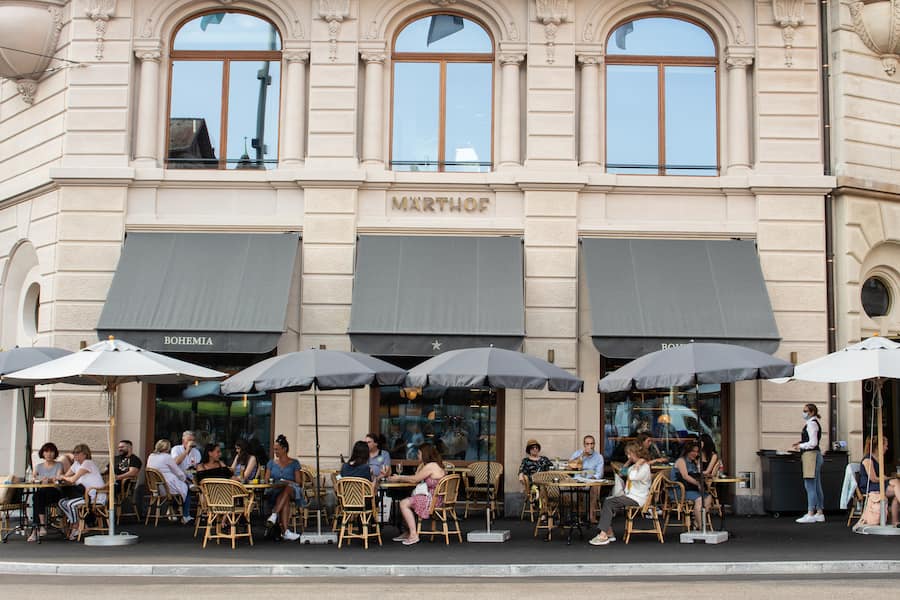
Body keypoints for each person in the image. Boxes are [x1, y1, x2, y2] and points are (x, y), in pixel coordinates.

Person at [589, 441, 652, 546]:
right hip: (631, 496)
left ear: (634, 453)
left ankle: (603, 534)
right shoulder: (634, 466)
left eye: (629, 454)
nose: (628, 456)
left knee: (609, 502)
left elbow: (632, 476)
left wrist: (637, 465)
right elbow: (622, 473)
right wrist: (629, 462)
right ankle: (609, 532)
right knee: (606, 500)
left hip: (638, 498)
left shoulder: (644, 467)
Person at [388, 443, 445, 546]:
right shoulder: (433, 465)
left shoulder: (430, 466)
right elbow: (417, 476)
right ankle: (408, 531)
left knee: (404, 503)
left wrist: (399, 477)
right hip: (436, 498)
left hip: (432, 500)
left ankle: (413, 534)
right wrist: (421, 465)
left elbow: (415, 479)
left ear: (425, 454)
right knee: (409, 500)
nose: (417, 456)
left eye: (419, 453)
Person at [57, 443, 106, 540]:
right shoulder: (76, 464)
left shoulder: (88, 463)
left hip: (94, 496)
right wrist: (62, 476)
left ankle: (75, 526)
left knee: (70, 504)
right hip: (84, 494)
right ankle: (79, 524)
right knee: (61, 502)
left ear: (85, 454)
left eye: (78, 453)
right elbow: (66, 476)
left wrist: (62, 477)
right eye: (74, 453)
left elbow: (72, 479)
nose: (75, 455)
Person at [264, 434, 304, 542]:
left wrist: (286, 482)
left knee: (287, 488)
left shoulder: (294, 463)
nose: (275, 452)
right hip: (275, 490)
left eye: (277, 449)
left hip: (292, 490)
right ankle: (285, 532)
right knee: (284, 498)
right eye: (274, 449)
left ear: (284, 449)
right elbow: (266, 480)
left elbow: (299, 482)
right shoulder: (271, 463)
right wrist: (275, 482)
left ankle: (274, 514)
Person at [792, 403, 825, 523]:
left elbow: (813, 443)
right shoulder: (814, 423)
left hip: (810, 456)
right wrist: (801, 443)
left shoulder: (811, 424)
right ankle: (819, 512)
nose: (804, 413)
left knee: (810, 485)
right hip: (815, 455)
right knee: (816, 485)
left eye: (806, 411)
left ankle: (811, 512)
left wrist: (800, 445)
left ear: (812, 412)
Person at [147, 439, 192, 525]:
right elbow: (178, 472)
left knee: (180, 488)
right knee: (186, 488)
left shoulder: (151, 456)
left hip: (156, 487)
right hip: (167, 486)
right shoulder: (167, 457)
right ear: (168, 448)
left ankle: (172, 511)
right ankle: (186, 515)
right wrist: (184, 479)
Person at [859, 435, 900, 525]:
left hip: (878, 484)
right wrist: (889, 478)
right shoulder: (868, 459)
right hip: (870, 486)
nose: (887, 448)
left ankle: (895, 521)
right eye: (885, 445)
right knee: (897, 485)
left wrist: (889, 478)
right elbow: (873, 479)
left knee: (897, 490)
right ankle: (895, 521)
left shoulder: (878, 458)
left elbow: (881, 477)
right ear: (879, 446)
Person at [28, 442, 63, 542]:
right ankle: (41, 527)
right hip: (42, 494)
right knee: (37, 498)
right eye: (46, 451)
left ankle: (36, 530)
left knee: (37, 497)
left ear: (55, 453)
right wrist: (40, 479)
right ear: (43, 453)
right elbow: (33, 478)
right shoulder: (38, 466)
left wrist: (48, 479)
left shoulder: (59, 465)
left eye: (51, 451)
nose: (49, 454)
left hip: (55, 493)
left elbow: (58, 477)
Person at [673, 440, 712, 529]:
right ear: (687, 451)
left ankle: (696, 522)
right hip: (680, 490)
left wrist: (698, 466)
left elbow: (696, 474)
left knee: (708, 497)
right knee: (700, 499)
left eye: (697, 452)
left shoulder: (693, 462)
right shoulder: (681, 461)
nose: (695, 454)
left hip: (690, 489)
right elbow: (685, 476)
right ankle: (701, 526)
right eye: (693, 451)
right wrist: (698, 484)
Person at [569, 435, 605, 524]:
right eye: (588, 444)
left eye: (592, 444)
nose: (590, 446)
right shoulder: (578, 454)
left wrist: (590, 481)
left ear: (594, 444)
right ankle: (578, 515)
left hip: (590, 480)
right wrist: (582, 456)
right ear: (584, 445)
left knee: (594, 487)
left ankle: (591, 515)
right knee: (575, 487)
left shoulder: (599, 457)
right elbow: (570, 466)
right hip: (578, 479)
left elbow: (599, 473)